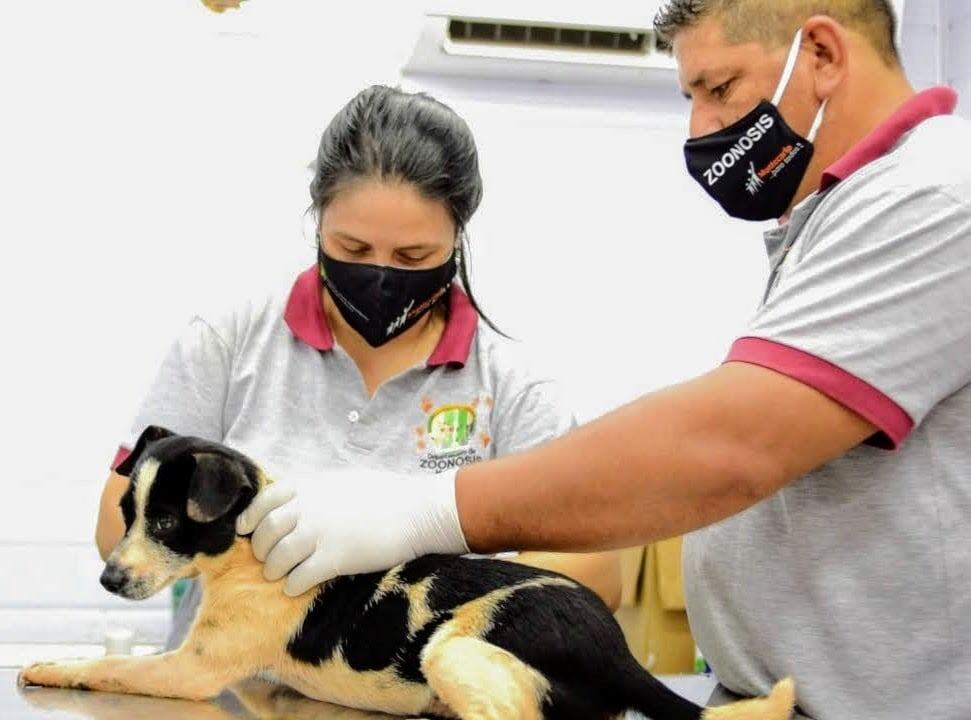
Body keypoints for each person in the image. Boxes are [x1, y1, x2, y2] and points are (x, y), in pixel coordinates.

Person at [240, 2, 971, 719]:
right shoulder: (832, 220)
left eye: (718, 88)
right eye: (691, 96)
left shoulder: (935, 196)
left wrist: (430, 512)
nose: (698, 128)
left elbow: (731, 446)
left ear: (821, 54)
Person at [94, 85, 622, 650]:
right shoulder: (228, 344)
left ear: (459, 239)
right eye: (352, 248)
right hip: (229, 694)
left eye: (413, 257)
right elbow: (114, 525)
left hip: (419, 695)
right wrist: (261, 545)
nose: (381, 275)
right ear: (317, 222)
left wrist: (421, 561)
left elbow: (597, 574)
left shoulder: (512, 386)